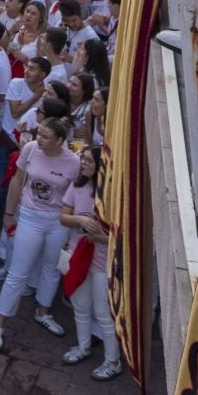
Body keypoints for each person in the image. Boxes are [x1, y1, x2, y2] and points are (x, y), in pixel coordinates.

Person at [0, 116, 77, 353]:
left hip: (57, 221)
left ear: (60, 140)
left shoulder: (73, 162)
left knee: (51, 268)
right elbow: (18, 182)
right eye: (40, 134)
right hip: (30, 215)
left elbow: (74, 195)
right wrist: (9, 213)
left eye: (46, 137)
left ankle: (43, 312)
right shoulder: (30, 149)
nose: (39, 140)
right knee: (18, 271)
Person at [60, 146, 122, 380]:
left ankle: (113, 361)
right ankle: (83, 347)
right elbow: (64, 217)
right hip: (77, 255)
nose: (82, 163)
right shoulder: (77, 187)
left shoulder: (113, 195)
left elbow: (123, 237)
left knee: (103, 312)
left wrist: (98, 237)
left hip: (102, 261)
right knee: (80, 306)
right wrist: (79, 220)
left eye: (87, 160)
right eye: (82, 159)